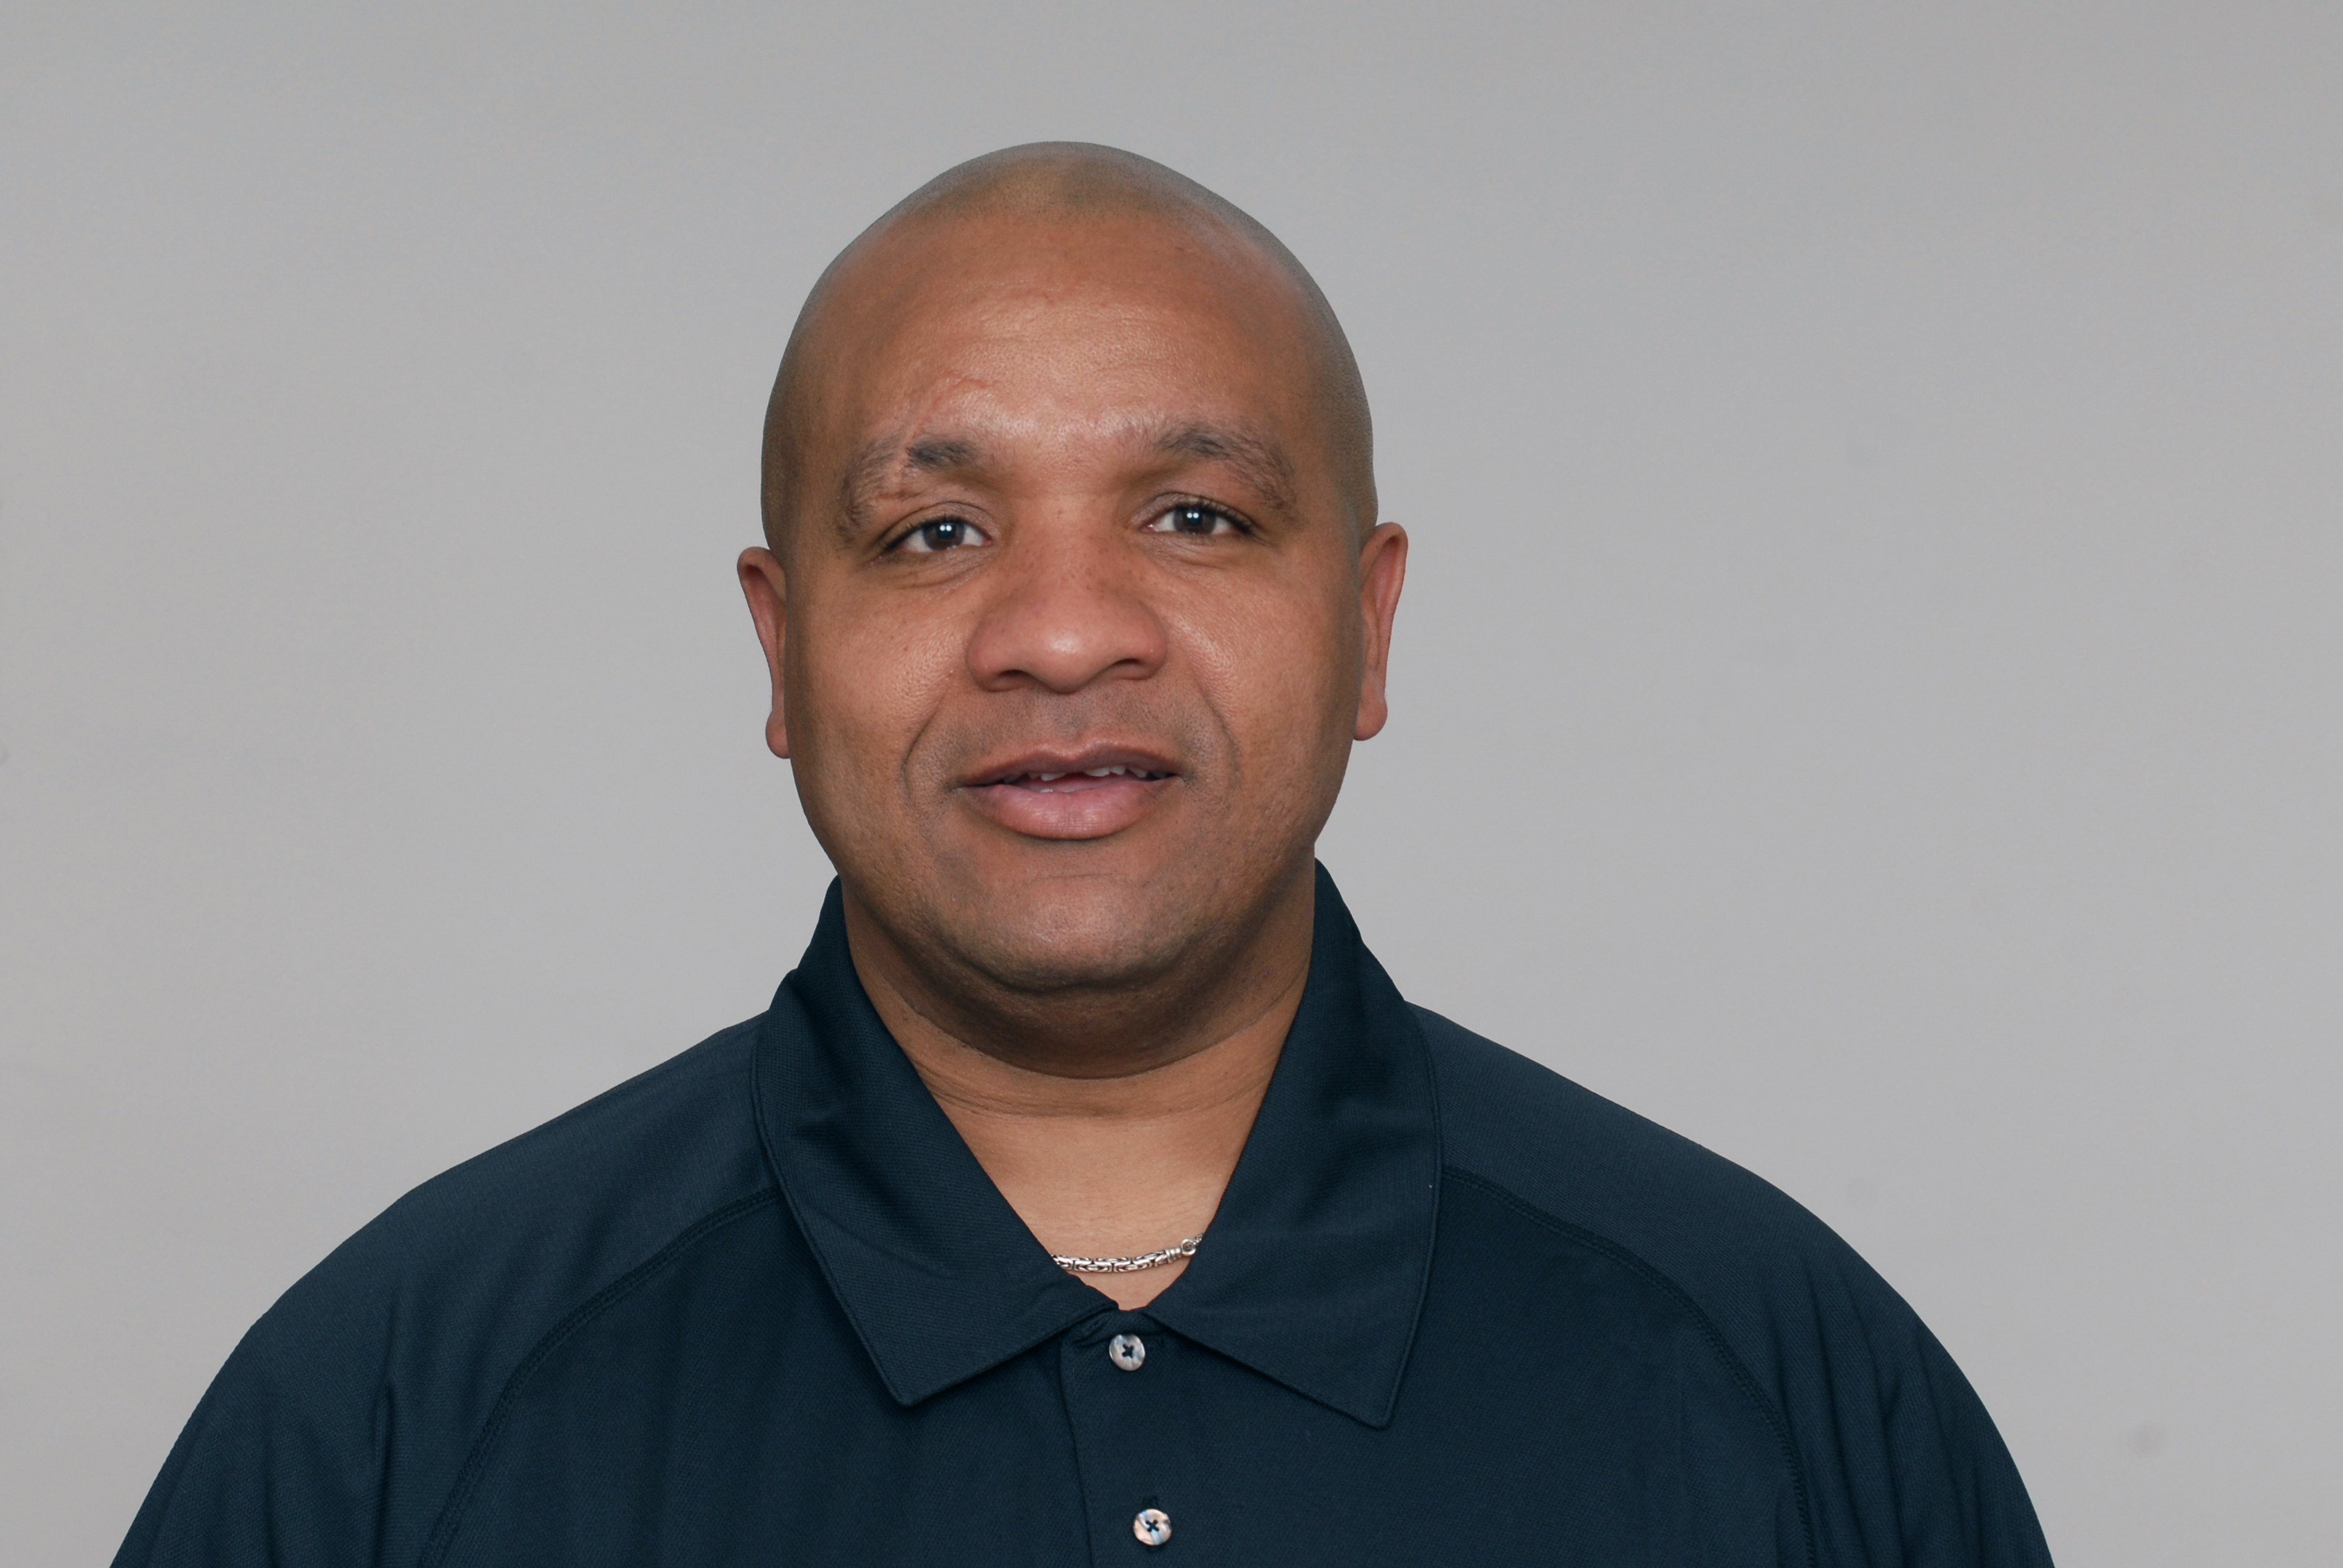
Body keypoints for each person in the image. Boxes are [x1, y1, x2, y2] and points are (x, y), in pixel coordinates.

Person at [115, 143, 2053, 1567]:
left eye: (1196, 517)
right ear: (780, 649)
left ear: (1367, 628)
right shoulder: (400, 1410)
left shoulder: (1779, 1379)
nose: (1061, 631)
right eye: (934, 534)